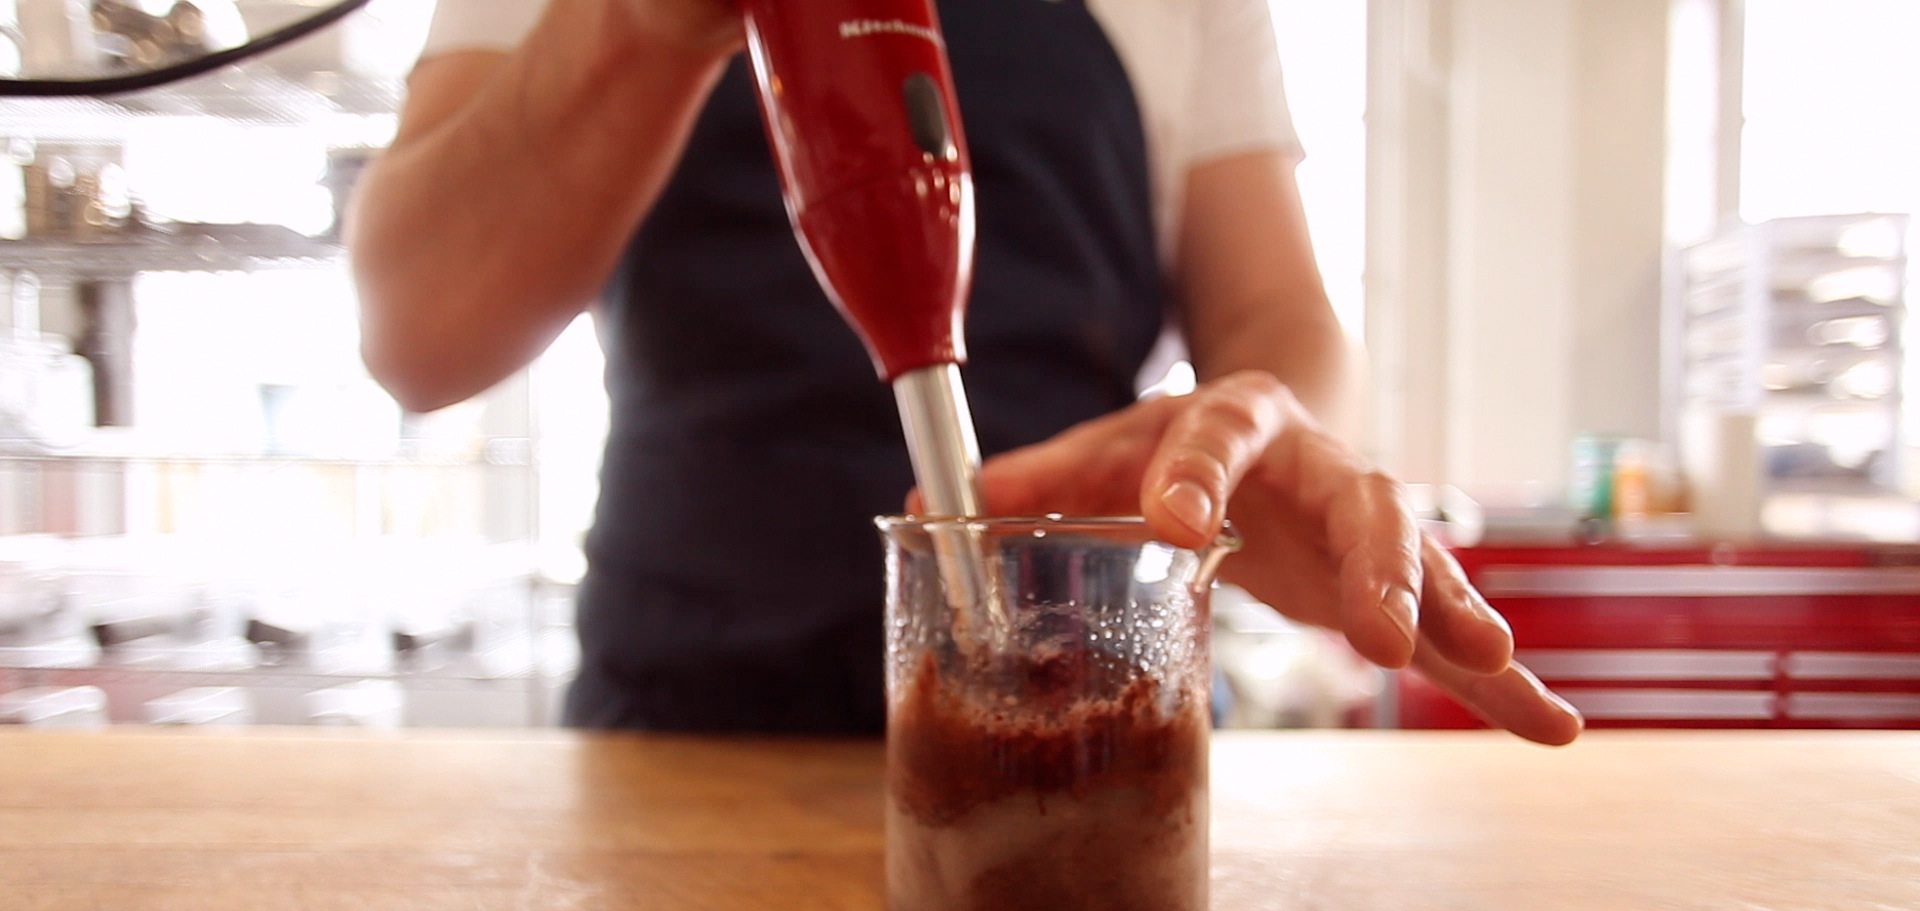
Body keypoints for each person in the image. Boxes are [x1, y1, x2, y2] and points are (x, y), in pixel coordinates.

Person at [346, 0, 1583, 745]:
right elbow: (419, 332)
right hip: (685, 721)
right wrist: (634, 30)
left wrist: (1265, 426)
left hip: (1091, 709)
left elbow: (1273, 310)